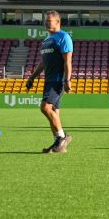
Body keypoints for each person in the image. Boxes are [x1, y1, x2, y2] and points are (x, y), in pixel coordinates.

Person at [25, 10, 73, 154]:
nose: (46, 23)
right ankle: (58, 144)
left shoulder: (63, 37)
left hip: (57, 80)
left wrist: (67, 80)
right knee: (54, 113)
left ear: (57, 22)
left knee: (45, 108)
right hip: (49, 80)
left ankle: (62, 137)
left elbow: (67, 61)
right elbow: (43, 63)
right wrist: (32, 77)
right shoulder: (46, 40)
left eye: (49, 21)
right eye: (45, 21)